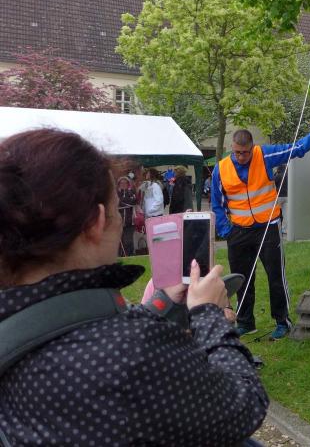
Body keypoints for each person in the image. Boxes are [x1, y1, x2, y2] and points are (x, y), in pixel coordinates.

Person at [0, 128, 268, 445]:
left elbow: (71, 323)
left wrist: (162, 304)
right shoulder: (131, 353)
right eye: (117, 211)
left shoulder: (21, 320)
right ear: (96, 223)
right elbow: (243, 405)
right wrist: (209, 316)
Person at [211, 116, 310, 339]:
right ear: (231, 148)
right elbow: (217, 204)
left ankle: (282, 321)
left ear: (253, 148)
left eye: (245, 152)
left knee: (276, 276)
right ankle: (245, 322)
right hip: (238, 232)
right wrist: (226, 230)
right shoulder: (221, 168)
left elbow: (297, 148)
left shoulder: (265, 155)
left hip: (268, 227)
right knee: (241, 279)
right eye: (237, 152)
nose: (241, 157)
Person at [117, 175, 138, 257]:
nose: (123, 184)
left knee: (128, 241)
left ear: (128, 184)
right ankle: (120, 256)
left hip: (129, 222)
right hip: (118, 221)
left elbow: (133, 202)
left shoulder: (131, 192)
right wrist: (124, 202)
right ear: (118, 184)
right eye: (121, 183)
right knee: (119, 241)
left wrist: (121, 202)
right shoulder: (116, 193)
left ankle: (129, 256)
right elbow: (115, 203)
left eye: (125, 183)